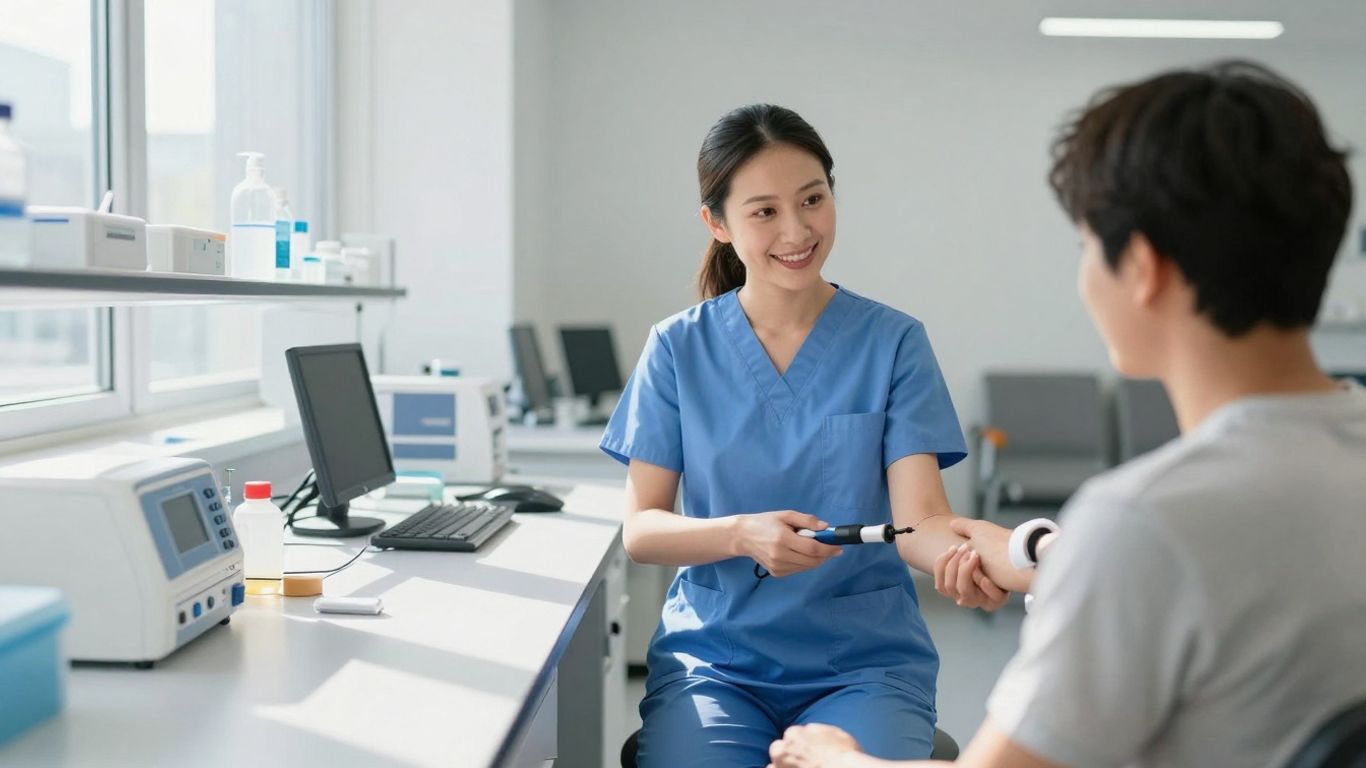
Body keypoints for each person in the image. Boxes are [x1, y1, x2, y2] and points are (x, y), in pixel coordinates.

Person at [770, 59, 1366, 768]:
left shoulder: (1147, 524)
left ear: (1143, 269)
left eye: (1087, 245)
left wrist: (835, 759)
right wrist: (1051, 555)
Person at [599, 103, 1009, 766]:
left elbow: (923, 523)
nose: (797, 229)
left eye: (812, 199)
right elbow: (641, 529)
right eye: (764, 211)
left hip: (864, 667)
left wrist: (993, 562)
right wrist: (740, 534)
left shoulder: (893, 342)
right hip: (717, 663)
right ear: (718, 223)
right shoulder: (677, 348)